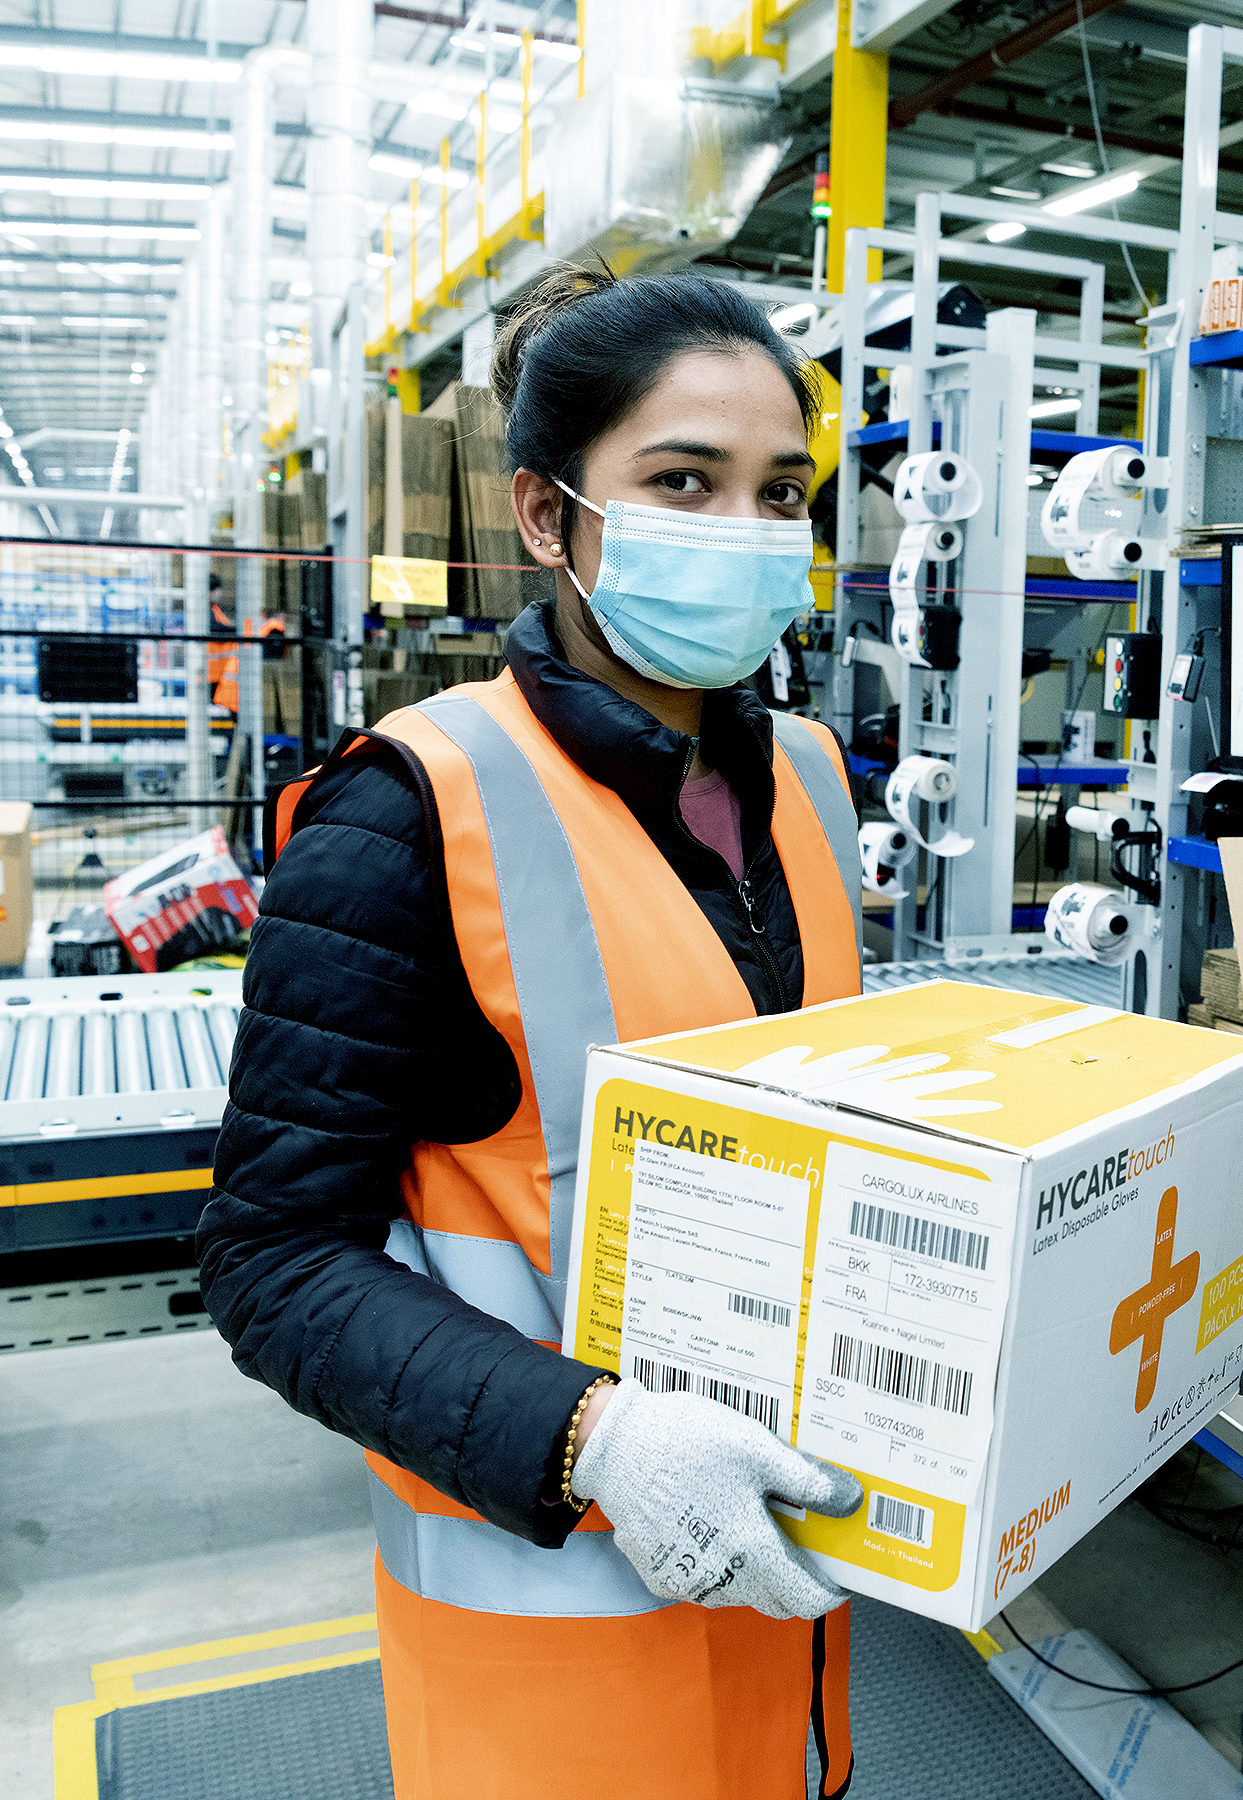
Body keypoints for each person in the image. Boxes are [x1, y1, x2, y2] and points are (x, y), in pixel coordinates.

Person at [200, 264, 870, 1800]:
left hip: (794, 1609)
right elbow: (271, 1262)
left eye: (783, 493)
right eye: (682, 482)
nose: (746, 532)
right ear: (549, 517)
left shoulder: (815, 783)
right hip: (558, 1640)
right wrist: (594, 1444)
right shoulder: (413, 808)